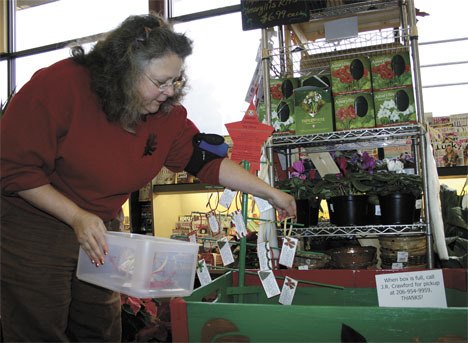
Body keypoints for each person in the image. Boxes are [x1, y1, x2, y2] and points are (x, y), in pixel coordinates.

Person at [0, 13, 296, 342]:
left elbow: (206, 162)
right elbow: (14, 169)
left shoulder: (164, 115)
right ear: (124, 71)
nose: (170, 92)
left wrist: (270, 193)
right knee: (38, 325)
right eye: (160, 82)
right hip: (36, 222)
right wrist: (76, 217)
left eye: (177, 80)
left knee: (99, 324)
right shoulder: (59, 87)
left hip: (99, 226)